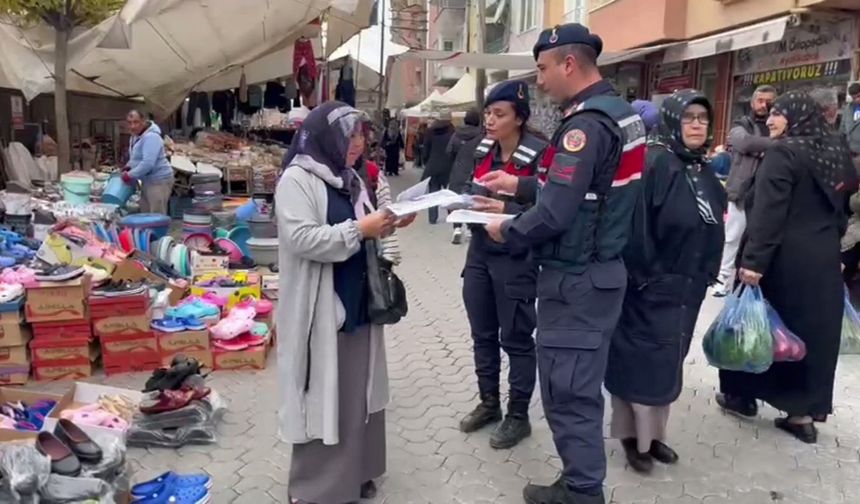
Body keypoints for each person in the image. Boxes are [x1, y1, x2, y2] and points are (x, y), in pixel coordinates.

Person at [481, 23, 646, 504]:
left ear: (568, 64)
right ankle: (578, 477)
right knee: (578, 387)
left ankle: (581, 492)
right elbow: (588, 191)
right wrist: (516, 187)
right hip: (599, 273)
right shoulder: (621, 115)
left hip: (577, 279)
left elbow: (557, 213)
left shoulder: (585, 126)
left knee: (568, 391)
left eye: (543, 69)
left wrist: (507, 228)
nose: (540, 80)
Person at [275, 101, 415, 504]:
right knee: (327, 394)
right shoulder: (297, 180)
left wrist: (391, 219)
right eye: (350, 134)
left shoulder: (347, 176)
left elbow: (366, 224)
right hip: (323, 306)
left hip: (359, 299)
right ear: (326, 136)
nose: (358, 143)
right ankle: (316, 489)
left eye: (360, 134)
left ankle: (359, 472)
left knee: (360, 392)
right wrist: (361, 229)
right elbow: (302, 239)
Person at [717, 91, 852, 444]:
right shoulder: (836, 151)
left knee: (753, 326)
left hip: (781, 260)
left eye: (779, 114)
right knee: (811, 336)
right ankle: (802, 414)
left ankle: (741, 396)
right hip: (822, 258)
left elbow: (768, 212)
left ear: (795, 117)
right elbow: (842, 208)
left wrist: (753, 263)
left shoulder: (783, 153)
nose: (772, 120)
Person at [605, 90, 726, 474]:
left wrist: (708, 273)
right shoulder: (655, 163)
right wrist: (647, 278)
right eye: (688, 117)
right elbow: (636, 228)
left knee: (667, 365)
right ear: (673, 120)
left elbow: (714, 222)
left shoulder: (700, 168)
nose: (695, 124)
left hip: (687, 289)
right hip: (651, 288)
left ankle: (654, 438)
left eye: (702, 119)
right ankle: (631, 440)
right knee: (640, 364)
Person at [453, 82, 547, 449]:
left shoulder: (541, 155)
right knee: (483, 334)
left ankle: (518, 415)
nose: (490, 121)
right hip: (478, 255)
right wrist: (458, 202)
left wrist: (506, 212)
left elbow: (551, 209)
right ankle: (489, 403)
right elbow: (464, 185)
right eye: (488, 113)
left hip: (516, 260)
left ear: (520, 119)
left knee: (518, 340)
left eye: (499, 114)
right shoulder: (482, 150)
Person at [715, 85, 776, 297]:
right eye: (760, 100)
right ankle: (722, 279)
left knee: (756, 239)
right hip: (741, 191)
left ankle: (748, 284)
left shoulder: (777, 125)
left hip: (765, 193)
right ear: (752, 102)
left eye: (768, 101)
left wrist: (761, 148)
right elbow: (743, 142)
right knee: (732, 237)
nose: (763, 105)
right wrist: (773, 144)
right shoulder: (741, 124)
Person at [124, 110, 174, 215]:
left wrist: (130, 175)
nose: (132, 126)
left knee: (156, 214)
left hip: (159, 180)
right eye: (129, 122)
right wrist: (128, 167)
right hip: (147, 180)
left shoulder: (152, 137)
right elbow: (135, 158)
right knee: (146, 213)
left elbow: (148, 163)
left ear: (143, 121)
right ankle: (148, 231)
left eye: (136, 122)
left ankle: (159, 232)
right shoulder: (135, 136)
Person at [447, 108, 484, 244]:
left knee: (455, 200)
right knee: (471, 201)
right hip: (474, 171)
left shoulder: (456, 134)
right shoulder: (482, 135)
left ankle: (457, 228)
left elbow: (449, 151)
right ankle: (469, 229)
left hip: (458, 170)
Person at [422, 112, 456, 224]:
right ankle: (452, 216)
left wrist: (426, 162)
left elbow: (425, 150)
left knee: (433, 193)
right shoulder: (452, 132)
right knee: (449, 193)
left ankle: (432, 218)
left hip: (433, 166)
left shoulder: (430, 131)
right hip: (448, 167)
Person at [841, 82, 860, 164]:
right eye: (854, 97)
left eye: (859, 96)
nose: (857, 100)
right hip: (849, 153)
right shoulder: (847, 109)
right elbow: (842, 128)